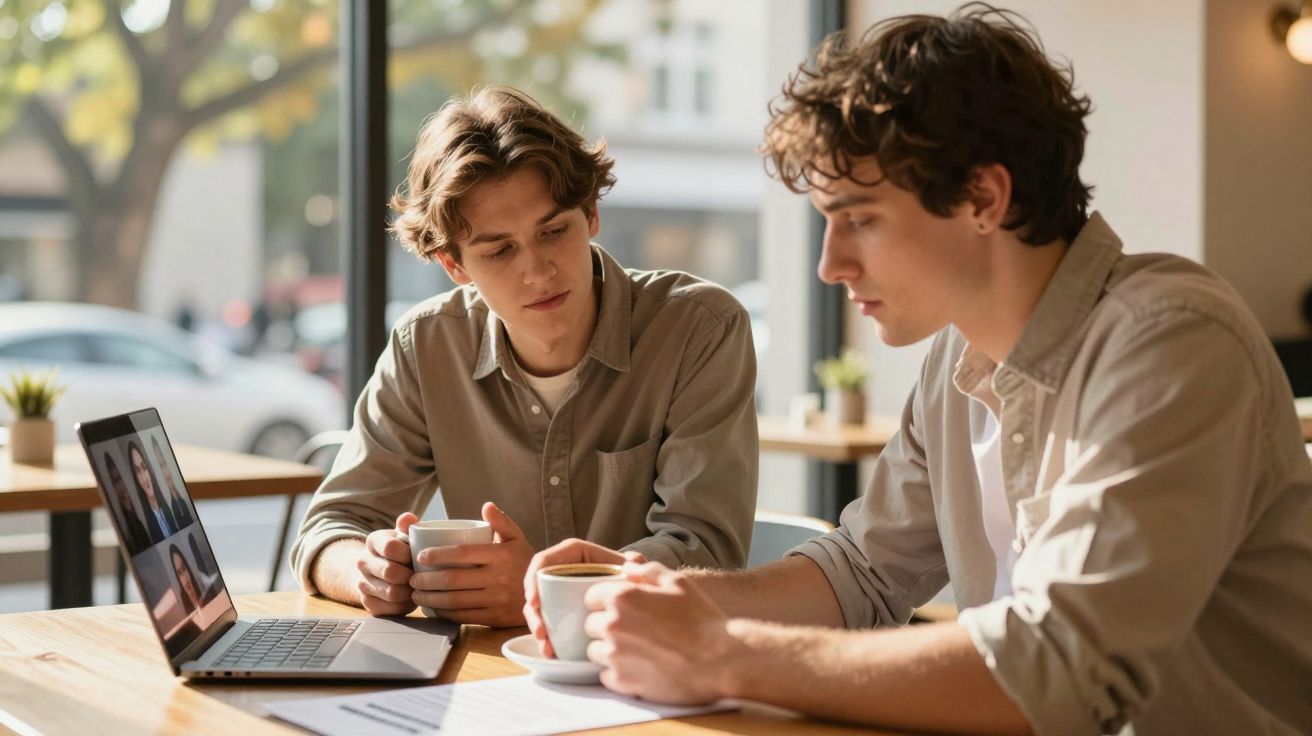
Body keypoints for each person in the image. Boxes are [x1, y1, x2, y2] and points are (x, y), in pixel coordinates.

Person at [523, 5, 1312, 734]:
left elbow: (1064, 666)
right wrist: (668, 595)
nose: (830, 265)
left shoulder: (1169, 341)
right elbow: (864, 571)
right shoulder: (954, 357)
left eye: (859, 220)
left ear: (983, 198)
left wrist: (722, 653)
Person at [289, 86, 759, 628]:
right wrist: (366, 570)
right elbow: (330, 529)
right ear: (454, 266)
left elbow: (706, 551)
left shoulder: (699, 329)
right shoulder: (426, 348)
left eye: (554, 230)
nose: (538, 270)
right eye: (500, 250)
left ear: (591, 214)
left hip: (651, 667)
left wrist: (542, 591)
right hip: (491, 676)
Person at [128, 439, 176, 544]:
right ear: (135, 478)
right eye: (137, 471)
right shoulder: (145, 525)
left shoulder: (169, 507)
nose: (144, 478)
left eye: (144, 467)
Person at [102, 452, 151, 555]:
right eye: (116, 481)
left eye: (122, 478)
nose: (123, 486)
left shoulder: (138, 519)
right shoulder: (125, 528)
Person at [150, 436, 194, 530]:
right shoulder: (166, 513)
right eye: (159, 468)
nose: (165, 474)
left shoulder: (184, 500)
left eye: (164, 465)